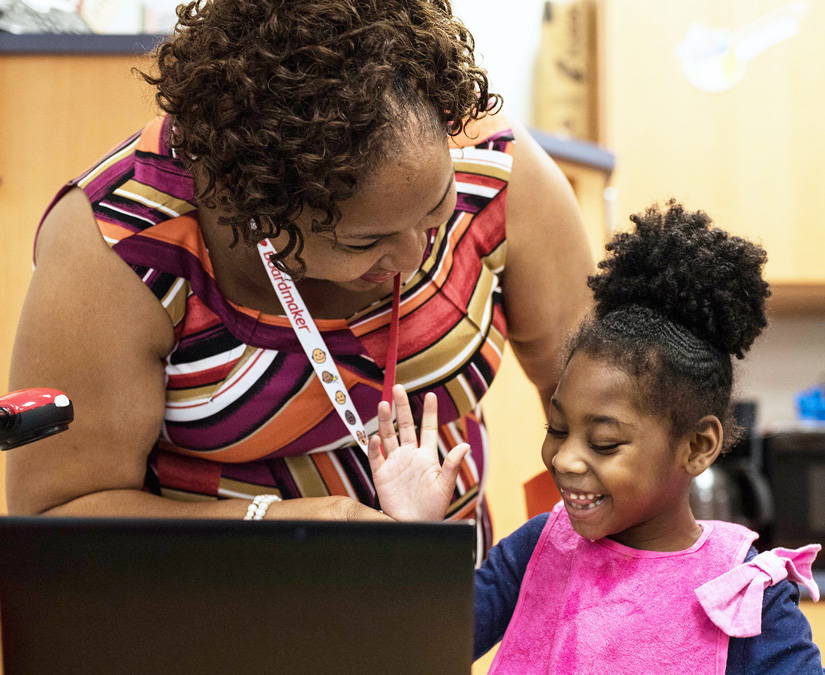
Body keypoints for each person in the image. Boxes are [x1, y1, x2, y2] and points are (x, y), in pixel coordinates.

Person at [6, 0, 592, 555]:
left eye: (436, 209)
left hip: (437, 613)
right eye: (364, 241)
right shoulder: (126, 246)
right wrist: (284, 531)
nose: (414, 256)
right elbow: (60, 515)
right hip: (213, 626)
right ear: (256, 207)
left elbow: (610, 416)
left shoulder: (491, 167)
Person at [370, 201, 824, 673]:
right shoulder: (538, 547)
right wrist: (412, 535)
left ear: (697, 446)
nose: (564, 459)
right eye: (557, 429)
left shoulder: (746, 591)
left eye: (604, 442)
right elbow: (418, 649)